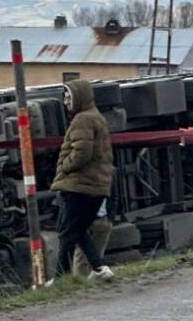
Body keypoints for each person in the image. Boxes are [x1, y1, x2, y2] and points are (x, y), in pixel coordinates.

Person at [49, 79, 114, 282]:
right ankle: (99, 268)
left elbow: (82, 152)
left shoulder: (82, 119)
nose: (66, 101)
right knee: (76, 230)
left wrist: (64, 167)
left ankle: (61, 278)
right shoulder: (97, 117)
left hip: (80, 185)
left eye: (69, 97)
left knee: (67, 233)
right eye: (64, 97)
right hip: (94, 185)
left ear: (80, 98)